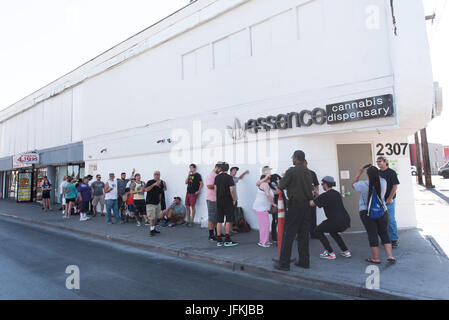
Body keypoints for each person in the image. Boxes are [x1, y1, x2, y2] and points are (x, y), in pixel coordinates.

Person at [274, 150, 314, 271]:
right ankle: (304, 261)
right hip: (306, 205)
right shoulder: (309, 172)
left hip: (295, 205)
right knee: (304, 234)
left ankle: (284, 263)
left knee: (289, 234)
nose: (292, 159)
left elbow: (281, 185)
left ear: (296, 158)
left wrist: (280, 181)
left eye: (293, 158)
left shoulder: (291, 171)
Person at [352, 165, 396, 264]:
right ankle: (390, 256)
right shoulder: (383, 182)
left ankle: (376, 258)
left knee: (372, 234)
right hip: (382, 211)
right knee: (384, 233)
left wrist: (359, 172)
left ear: (368, 175)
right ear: (378, 174)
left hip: (366, 212)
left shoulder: (363, 184)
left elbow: (353, 185)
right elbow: (378, 178)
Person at [309, 176, 351, 260]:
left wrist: (309, 196)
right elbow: (323, 200)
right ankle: (346, 251)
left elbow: (311, 204)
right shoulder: (336, 193)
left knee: (317, 230)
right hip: (346, 220)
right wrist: (317, 196)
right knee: (333, 231)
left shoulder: (325, 195)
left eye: (322, 184)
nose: (322, 185)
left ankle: (330, 253)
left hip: (335, 221)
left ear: (325, 184)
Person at [377, 156, 400, 248]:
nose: (378, 163)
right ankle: (386, 239)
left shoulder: (391, 172)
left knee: (390, 219)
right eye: (377, 161)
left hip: (389, 200)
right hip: (379, 200)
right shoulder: (377, 173)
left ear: (385, 162)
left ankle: (394, 239)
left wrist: (390, 198)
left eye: (380, 161)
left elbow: (395, 186)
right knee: (381, 221)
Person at [214, 162, 238, 247]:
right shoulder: (229, 178)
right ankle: (227, 239)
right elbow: (231, 190)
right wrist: (234, 199)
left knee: (219, 220)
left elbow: (215, 190)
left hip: (219, 200)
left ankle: (219, 240)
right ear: (227, 169)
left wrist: (217, 198)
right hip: (227, 200)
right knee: (228, 219)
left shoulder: (217, 177)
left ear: (221, 169)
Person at [253, 170, 278, 248]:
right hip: (260, 208)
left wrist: (279, 182)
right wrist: (273, 203)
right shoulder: (264, 184)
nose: (270, 178)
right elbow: (267, 195)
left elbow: (277, 191)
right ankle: (263, 242)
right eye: (268, 177)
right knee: (265, 225)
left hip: (262, 208)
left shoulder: (267, 185)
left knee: (265, 225)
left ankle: (264, 240)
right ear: (265, 178)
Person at [206, 162, 222, 241]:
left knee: (216, 217)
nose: (220, 171)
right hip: (212, 199)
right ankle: (211, 235)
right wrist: (219, 185)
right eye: (220, 169)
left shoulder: (216, 175)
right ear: (217, 167)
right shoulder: (211, 175)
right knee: (211, 218)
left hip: (216, 199)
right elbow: (209, 186)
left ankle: (217, 233)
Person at [145, 171, 164, 237]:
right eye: (155, 174)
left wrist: (159, 201)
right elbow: (146, 190)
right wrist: (153, 185)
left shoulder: (161, 183)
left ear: (159, 175)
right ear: (153, 175)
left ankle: (154, 228)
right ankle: (151, 230)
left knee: (156, 217)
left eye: (158, 174)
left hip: (157, 203)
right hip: (150, 203)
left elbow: (160, 192)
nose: (157, 176)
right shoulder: (150, 182)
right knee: (151, 217)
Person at [304, 160, 320, 239]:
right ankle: (303, 234)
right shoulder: (297, 173)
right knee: (302, 217)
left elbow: (316, 185)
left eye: (304, 163)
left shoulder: (312, 173)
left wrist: (316, 194)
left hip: (311, 198)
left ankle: (313, 233)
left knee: (313, 216)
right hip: (301, 199)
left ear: (306, 164)